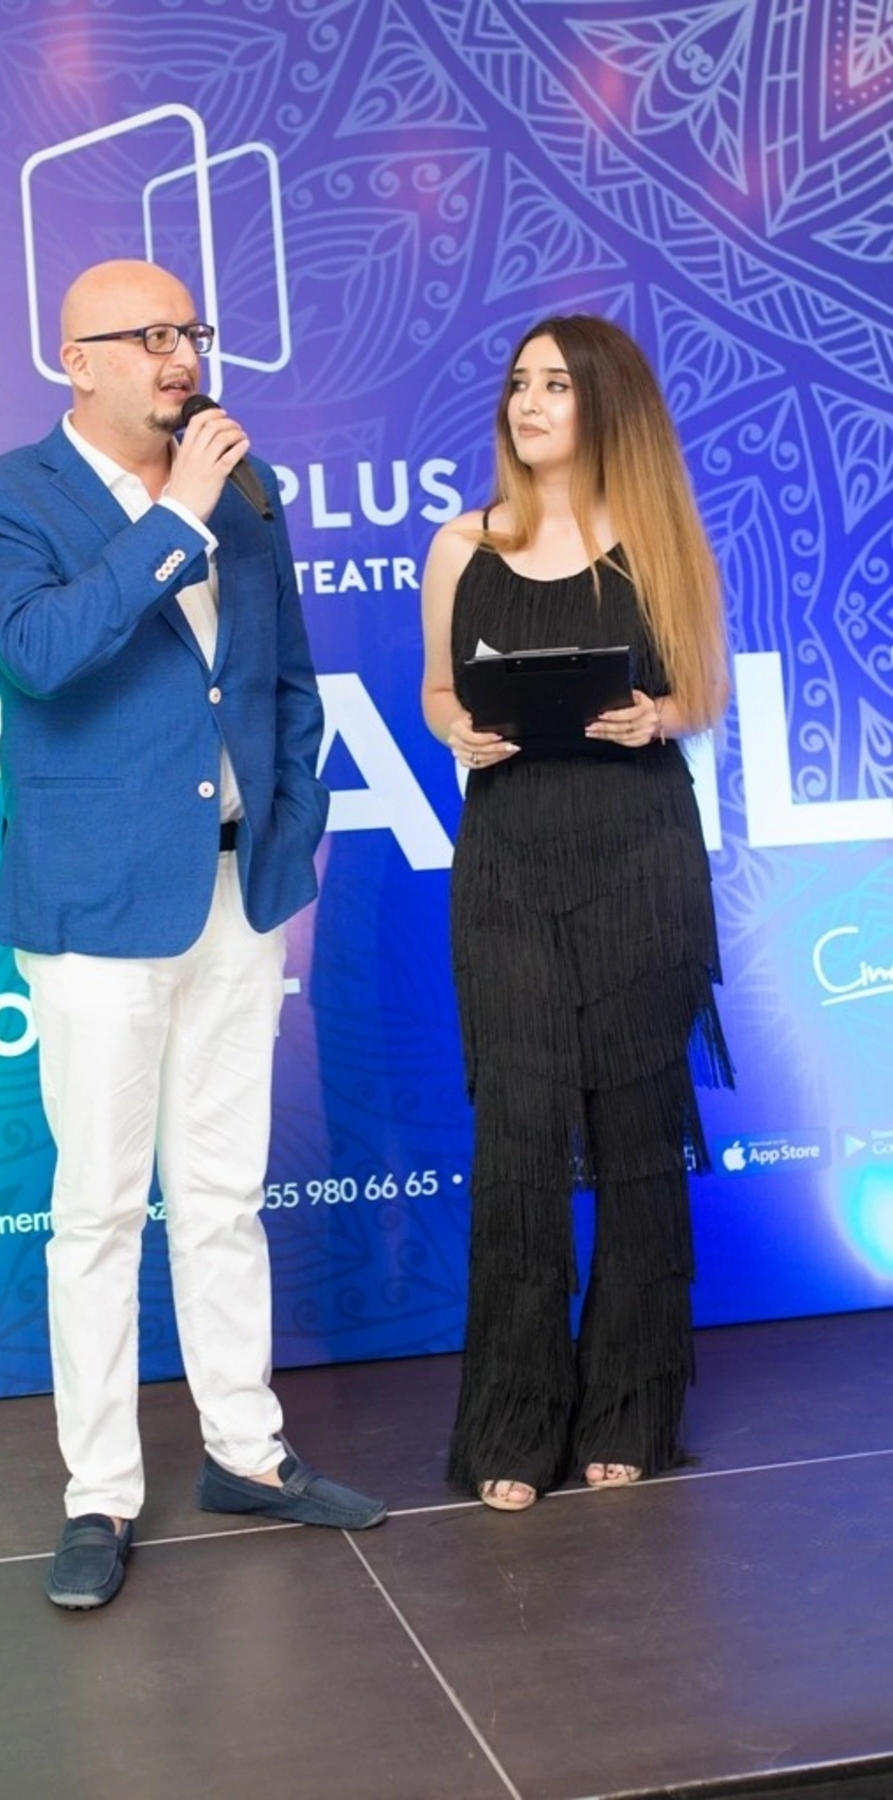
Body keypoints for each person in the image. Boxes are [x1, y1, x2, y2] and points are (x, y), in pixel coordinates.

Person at [0, 258, 386, 1609]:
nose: (180, 354)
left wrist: (289, 829)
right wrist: (173, 516)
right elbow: (40, 655)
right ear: (75, 360)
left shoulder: (249, 487)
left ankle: (246, 1451)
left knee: (221, 1194)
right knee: (96, 1210)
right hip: (96, 908)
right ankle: (99, 1492)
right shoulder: (5, 498)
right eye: (147, 336)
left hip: (235, 896)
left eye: (188, 330)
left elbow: (287, 679)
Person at [420, 314, 734, 1512]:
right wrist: (457, 726)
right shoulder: (462, 544)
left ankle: (631, 1412)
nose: (530, 402)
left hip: (641, 858)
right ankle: (512, 1421)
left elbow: (703, 688)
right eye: (520, 383)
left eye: (556, 384)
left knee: (638, 1137)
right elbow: (437, 687)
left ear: (607, 404)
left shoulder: (658, 542)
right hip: (508, 860)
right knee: (519, 1141)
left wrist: (658, 715)